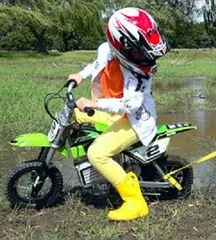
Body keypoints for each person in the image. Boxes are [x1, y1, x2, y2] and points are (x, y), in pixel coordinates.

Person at [67, 7, 169, 221]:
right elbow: (96, 64)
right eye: (137, 52)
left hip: (135, 120)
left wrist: (95, 103)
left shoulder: (138, 72)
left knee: (97, 153)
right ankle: (107, 167)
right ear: (119, 44)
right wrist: (80, 75)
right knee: (76, 114)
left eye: (144, 51)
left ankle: (135, 202)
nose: (143, 57)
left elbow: (130, 105)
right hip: (114, 113)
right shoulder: (107, 49)